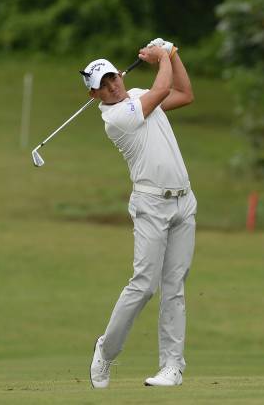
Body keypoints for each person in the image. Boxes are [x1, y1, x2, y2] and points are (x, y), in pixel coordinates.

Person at [81, 38, 197, 388]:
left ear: (120, 74)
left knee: (174, 287)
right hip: (151, 205)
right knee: (144, 285)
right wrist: (162, 56)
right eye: (103, 86)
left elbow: (183, 92)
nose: (113, 86)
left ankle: (172, 367)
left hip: (184, 202)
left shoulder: (140, 97)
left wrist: (173, 56)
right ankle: (107, 351)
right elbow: (163, 87)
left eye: (113, 77)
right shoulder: (117, 118)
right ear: (95, 97)